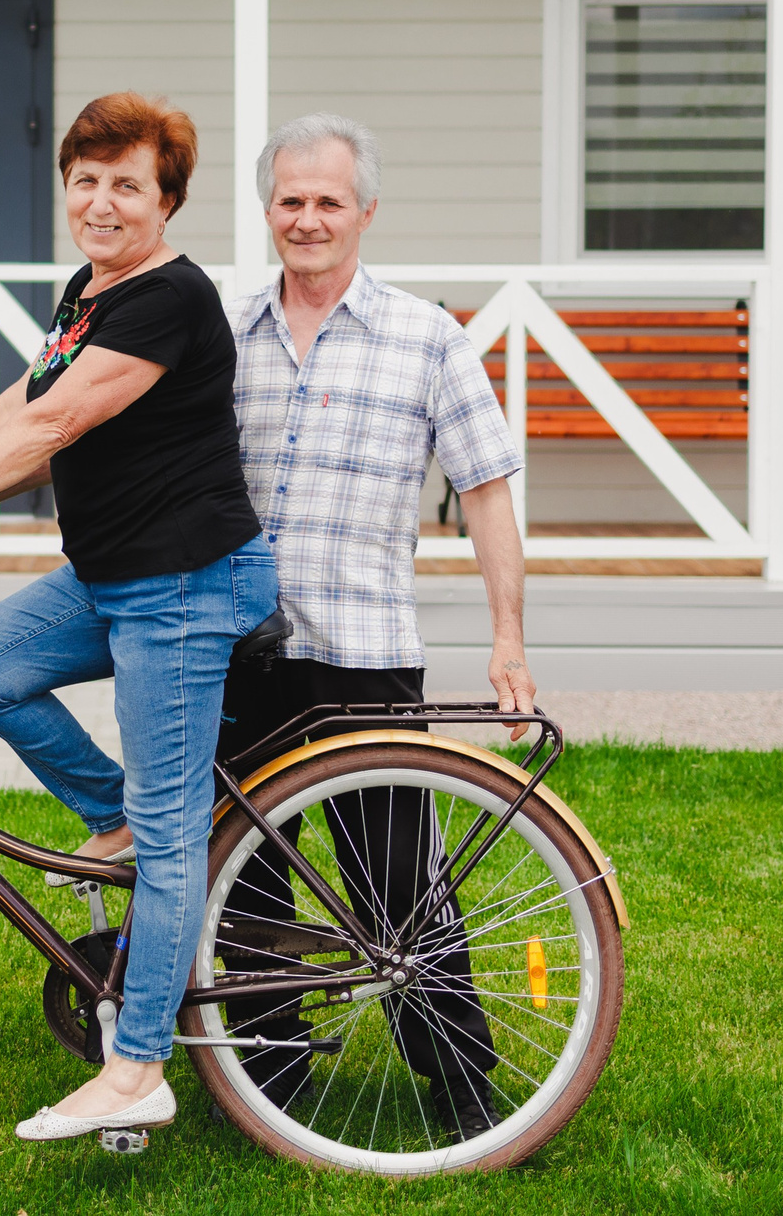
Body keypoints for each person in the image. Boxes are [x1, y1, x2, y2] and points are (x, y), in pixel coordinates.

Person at [0, 91, 276, 1144]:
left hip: (182, 583)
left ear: (165, 199)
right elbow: (17, 401)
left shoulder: (170, 296)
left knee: (177, 842)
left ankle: (136, 1069)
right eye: (85, 180)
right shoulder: (87, 290)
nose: (100, 200)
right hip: (113, 574)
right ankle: (116, 813)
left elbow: (57, 420)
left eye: (125, 183)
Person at [219, 110, 534, 1141]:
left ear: (364, 212)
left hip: (364, 656)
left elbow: (485, 490)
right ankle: (268, 1078)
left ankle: (462, 1091)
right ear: (268, 207)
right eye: (289, 199)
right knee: (249, 873)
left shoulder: (426, 336)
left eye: (328, 201)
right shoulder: (225, 331)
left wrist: (506, 638)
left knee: (400, 886)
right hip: (244, 651)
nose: (307, 219)